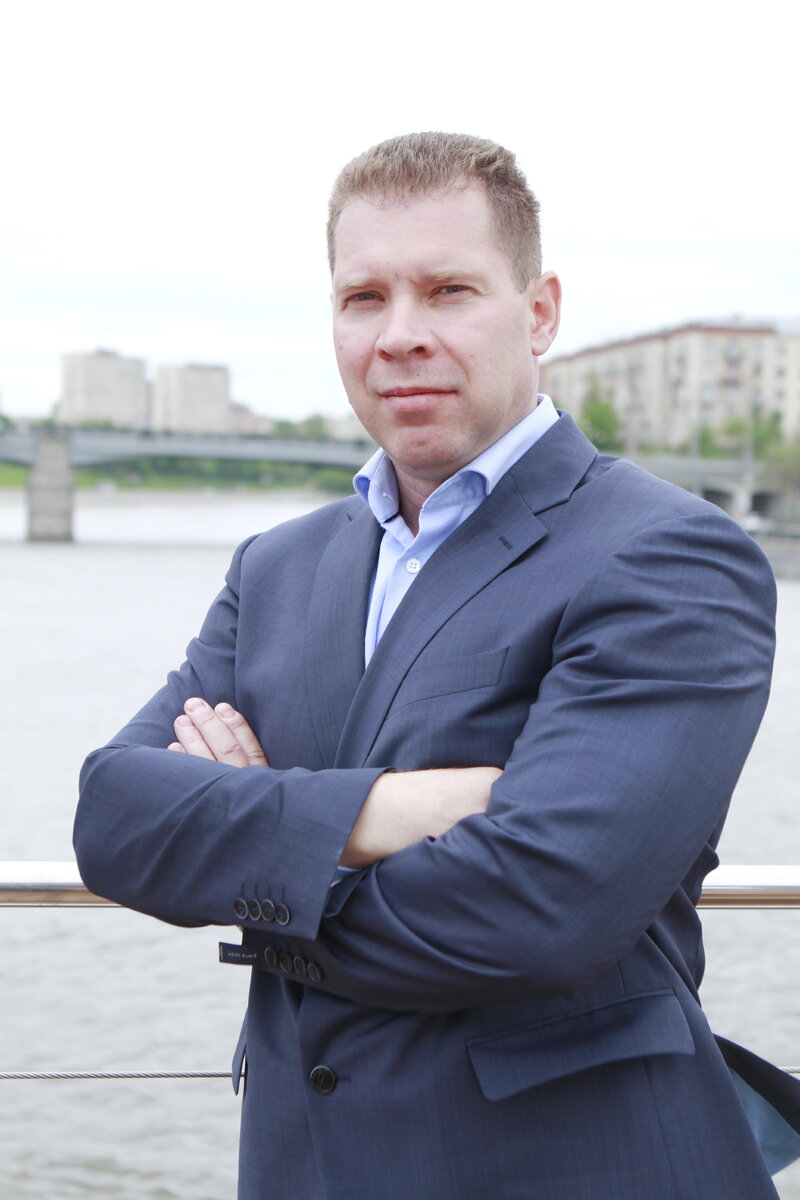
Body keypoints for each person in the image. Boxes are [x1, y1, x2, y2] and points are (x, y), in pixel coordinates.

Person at [74, 132, 800, 1199]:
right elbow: (114, 820)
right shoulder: (277, 567)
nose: (399, 334)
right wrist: (385, 813)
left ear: (539, 313)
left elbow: (538, 916)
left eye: (449, 290)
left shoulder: (667, 554)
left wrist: (249, 859)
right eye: (363, 297)